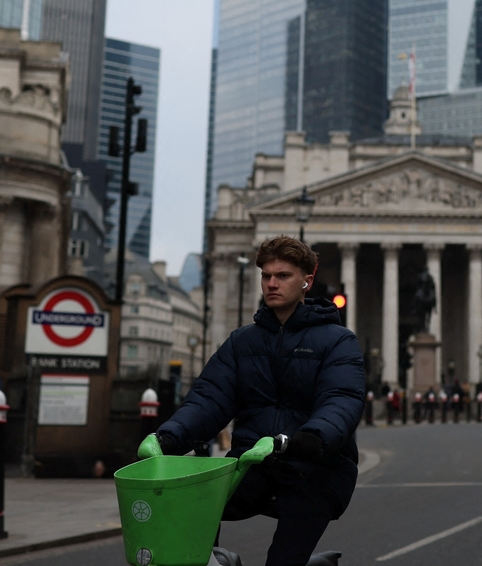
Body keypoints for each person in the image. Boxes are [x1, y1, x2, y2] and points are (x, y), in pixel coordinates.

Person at [154, 236, 364, 566]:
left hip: (316, 469)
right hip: (254, 464)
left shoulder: (338, 341)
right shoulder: (241, 342)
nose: (271, 283)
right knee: (192, 504)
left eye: (283, 276)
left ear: (307, 280)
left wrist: (315, 436)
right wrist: (170, 435)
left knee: (283, 559)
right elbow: (209, 397)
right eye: (266, 276)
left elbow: (342, 398)